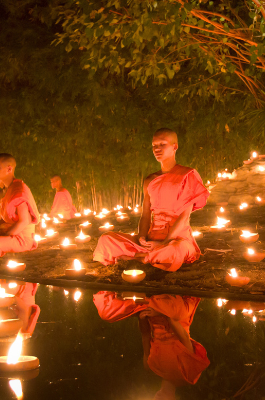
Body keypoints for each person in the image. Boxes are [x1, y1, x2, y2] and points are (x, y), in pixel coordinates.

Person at [93, 128, 209, 272]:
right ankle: (145, 256)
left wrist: (165, 242)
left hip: (177, 239)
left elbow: (184, 217)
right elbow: (146, 215)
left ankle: (137, 258)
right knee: (106, 239)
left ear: (175, 146)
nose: (157, 149)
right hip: (152, 238)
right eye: (154, 145)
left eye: (162, 144)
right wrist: (142, 237)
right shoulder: (150, 180)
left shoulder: (187, 175)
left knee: (175, 251)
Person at [93, 292, 210, 399]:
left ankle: (140, 295)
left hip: (153, 312)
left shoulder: (151, 367)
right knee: (175, 310)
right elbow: (184, 337)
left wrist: (142, 318)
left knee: (107, 313)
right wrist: (164, 313)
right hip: (176, 314)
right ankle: (147, 297)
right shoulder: (187, 376)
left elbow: (145, 334)